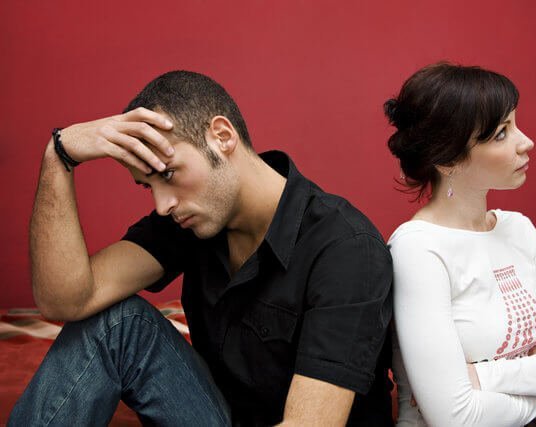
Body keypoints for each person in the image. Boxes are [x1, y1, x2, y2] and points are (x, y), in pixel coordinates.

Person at [10, 71, 394, 426]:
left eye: (169, 174)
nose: (162, 205)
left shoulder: (346, 250)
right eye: (148, 186)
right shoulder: (193, 218)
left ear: (222, 137)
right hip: (220, 416)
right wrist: (59, 156)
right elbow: (65, 300)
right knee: (118, 322)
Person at [384, 63, 536, 427]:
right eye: (502, 133)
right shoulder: (418, 250)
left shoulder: (518, 229)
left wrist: (486, 377)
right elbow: (455, 418)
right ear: (449, 159)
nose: (526, 142)